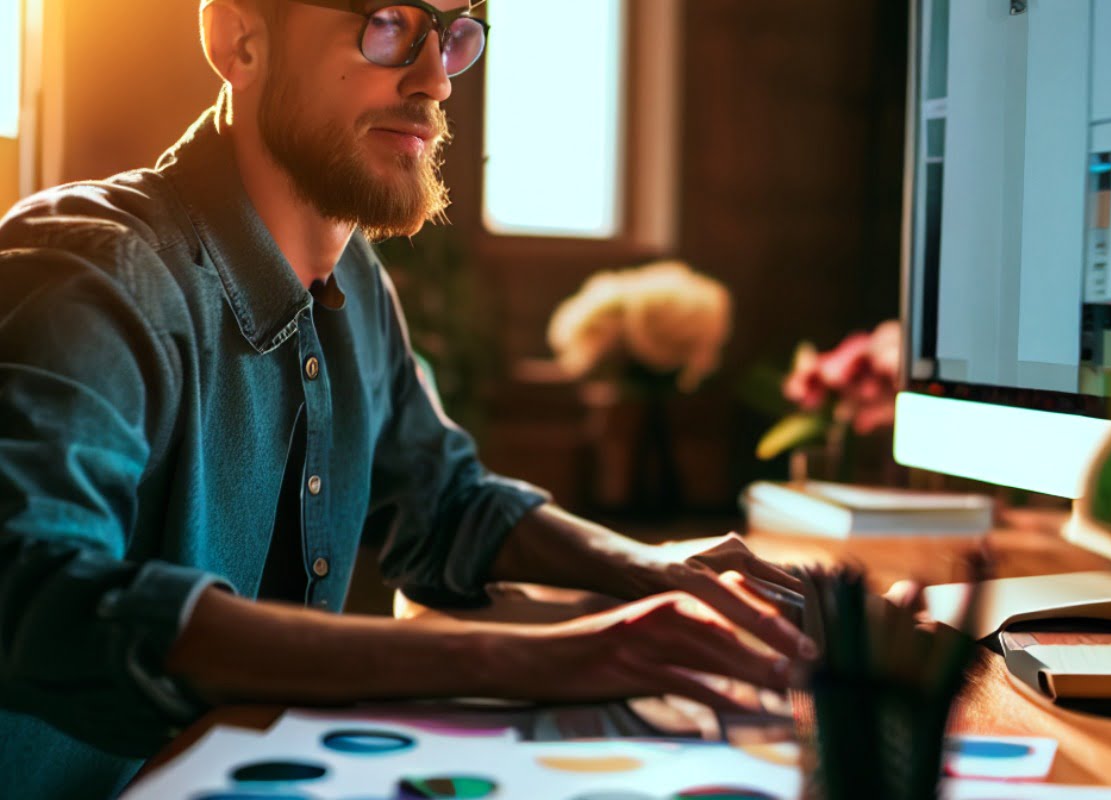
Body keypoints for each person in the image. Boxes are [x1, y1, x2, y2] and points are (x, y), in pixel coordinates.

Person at [0, 1, 812, 797]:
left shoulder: (354, 280)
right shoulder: (93, 273)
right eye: (387, 22)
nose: (437, 80)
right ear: (239, 39)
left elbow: (448, 502)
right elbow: (35, 588)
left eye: (454, 34)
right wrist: (535, 659)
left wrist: (657, 574)